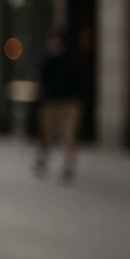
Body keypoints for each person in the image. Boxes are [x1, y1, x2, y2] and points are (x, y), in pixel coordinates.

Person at [35, 28, 86, 182]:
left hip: (67, 102)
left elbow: (79, 78)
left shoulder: (67, 59)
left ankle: (67, 164)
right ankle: (44, 158)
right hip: (52, 101)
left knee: (69, 134)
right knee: (46, 132)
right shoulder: (48, 59)